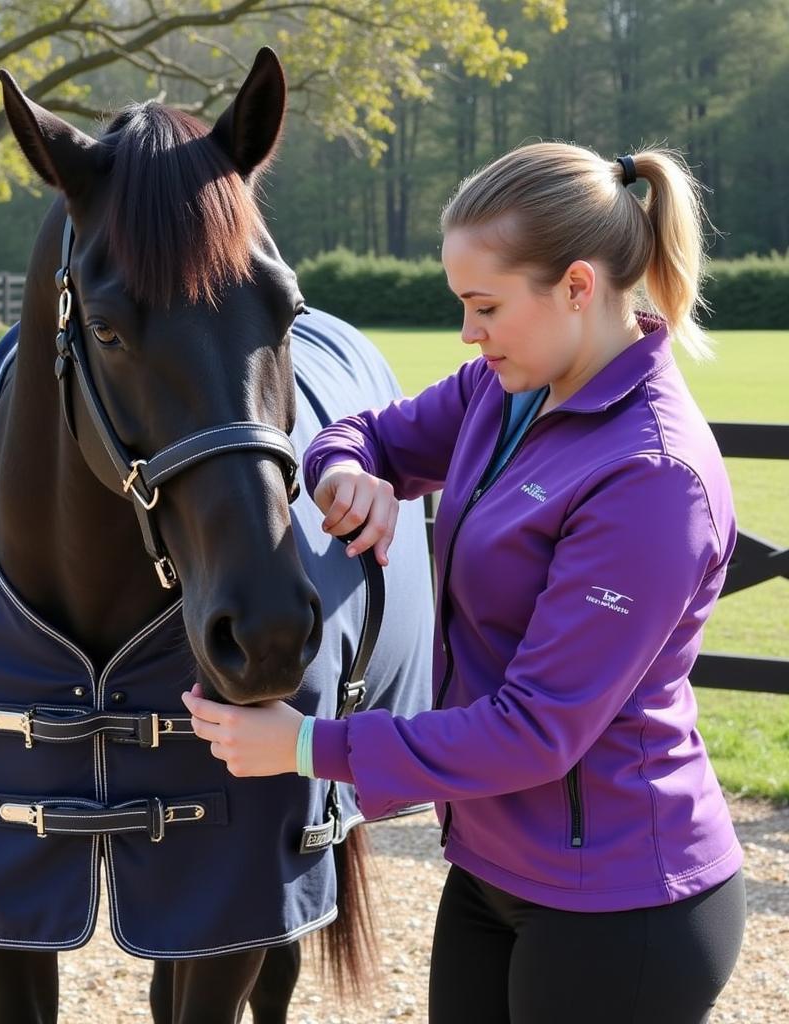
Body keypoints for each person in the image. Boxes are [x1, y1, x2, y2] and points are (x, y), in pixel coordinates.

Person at [182, 143, 747, 1023]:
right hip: (491, 868)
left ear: (577, 287)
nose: (468, 333)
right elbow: (373, 432)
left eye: (484, 306)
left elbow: (535, 731)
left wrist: (306, 749)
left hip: (623, 900)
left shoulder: (651, 477)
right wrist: (345, 471)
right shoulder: (508, 388)